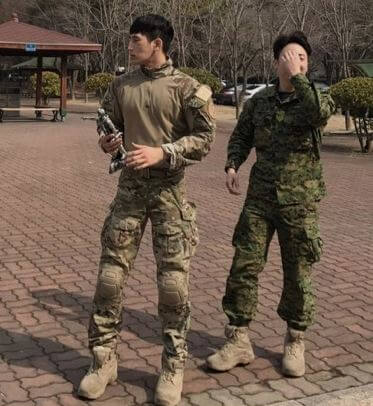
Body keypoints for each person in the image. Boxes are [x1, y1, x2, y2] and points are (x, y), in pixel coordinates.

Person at [78, 14, 215, 406]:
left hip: (170, 195)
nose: (129, 45)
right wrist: (108, 142)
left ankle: (172, 366)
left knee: (173, 286)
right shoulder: (122, 85)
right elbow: (109, 127)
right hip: (129, 193)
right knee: (109, 278)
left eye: (135, 39)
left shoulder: (187, 87)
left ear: (157, 43)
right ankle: (103, 361)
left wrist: (164, 152)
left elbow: (205, 138)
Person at [206, 31, 335, 378]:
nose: (296, 62)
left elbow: (319, 114)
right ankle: (238, 339)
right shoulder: (259, 101)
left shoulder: (316, 97)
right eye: (290, 57)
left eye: (302, 58)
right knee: (244, 265)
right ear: (276, 61)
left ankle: (295, 339)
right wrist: (233, 164)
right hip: (260, 198)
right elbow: (242, 136)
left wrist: (298, 78)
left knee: (298, 272)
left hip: (300, 202)